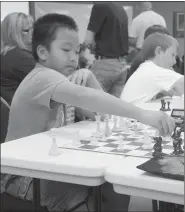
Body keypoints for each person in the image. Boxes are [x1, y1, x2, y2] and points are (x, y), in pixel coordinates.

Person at [1, 14, 175, 212]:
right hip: (23, 177)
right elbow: (87, 97)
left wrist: (91, 76)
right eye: (66, 50)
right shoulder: (43, 78)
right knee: (104, 189)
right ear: (42, 52)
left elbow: (100, 114)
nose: (74, 57)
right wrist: (143, 115)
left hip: (42, 168)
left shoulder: (60, 82)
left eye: (77, 51)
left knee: (110, 185)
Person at [121, 33, 184, 104]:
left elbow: (175, 93)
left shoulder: (146, 68)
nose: (175, 61)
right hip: (129, 114)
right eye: (172, 55)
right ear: (159, 51)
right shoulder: (154, 71)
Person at [84, 2, 129, 98]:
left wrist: (92, 47)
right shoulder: (121, 8)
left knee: (91, 104)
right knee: (114, 108)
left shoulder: (100, 5)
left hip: (105, 65)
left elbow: (88, 41)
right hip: (122, 65)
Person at [1, 12, 36, 105]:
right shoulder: (21, 58)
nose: (32, 33)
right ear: (13, 34)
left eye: (33, 29)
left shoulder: (5, 54)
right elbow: (52, 83)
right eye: (26, 30)